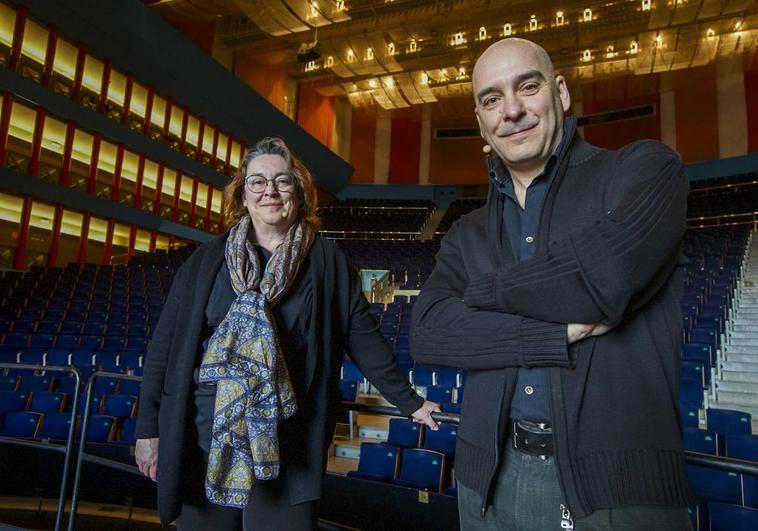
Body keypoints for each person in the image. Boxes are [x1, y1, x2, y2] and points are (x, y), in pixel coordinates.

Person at [411, 38, 696, 530]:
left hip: (616, 493)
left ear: (560, 93)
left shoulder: (645, 169)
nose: (513, 111)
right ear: (481, 121)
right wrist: (552, 335)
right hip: (487, 488)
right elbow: (429, 333)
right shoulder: (467, 231)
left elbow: (603, 279)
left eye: (527, 86)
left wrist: (481, 295)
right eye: (491, 99)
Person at [135, 137, 439, 530]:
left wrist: (409, 400)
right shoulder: (205, 260)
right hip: (207, 437)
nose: (270, 192)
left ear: (298, 192)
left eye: (282, 181)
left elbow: (362, 334)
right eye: (257, 182)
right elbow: (165, 348)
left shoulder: (327, 262)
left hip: (289, 442)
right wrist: (149, 431)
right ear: (242, 194)